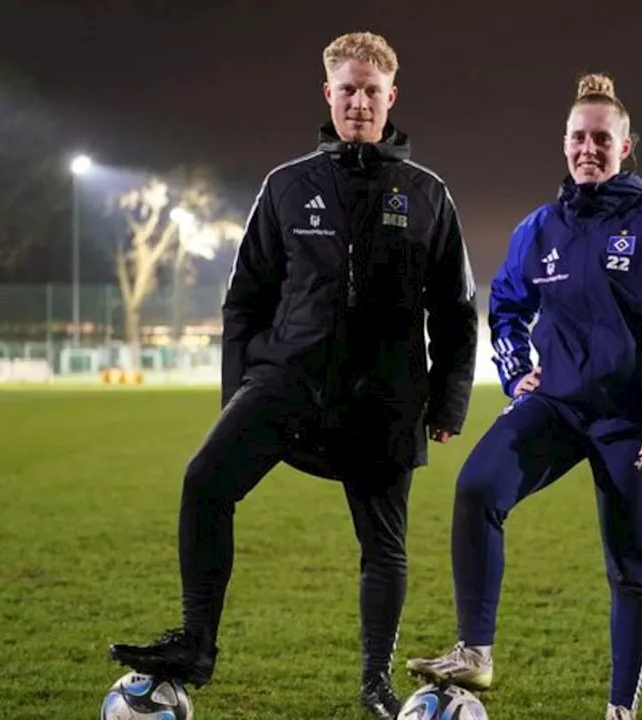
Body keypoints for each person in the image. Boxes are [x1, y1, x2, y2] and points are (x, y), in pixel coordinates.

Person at [109, 31, 479, 719]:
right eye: (349, 89)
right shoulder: (286, 186)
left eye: (373, 91)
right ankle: (196, 644)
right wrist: (237, 397)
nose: (361, 102)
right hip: (290, 381)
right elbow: (244, 299)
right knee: (204, 481)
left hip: (382, 397)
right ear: (328, 95)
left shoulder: (427, 194)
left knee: (384, 546)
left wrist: (449, 398)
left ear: (391, 97)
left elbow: (458, 311)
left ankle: (375, 683)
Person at [406, 72, 642, 720]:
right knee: (477, 488)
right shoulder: (539, 230)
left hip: (634, 422)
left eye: (602, 137)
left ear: (626, 147)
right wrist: (518, 375)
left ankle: (620, 709)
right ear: (564, 144)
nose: (588, 148)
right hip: (560, 406)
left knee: (630, 567)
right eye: (578, 137)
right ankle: (475, 650)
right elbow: (506, 306)